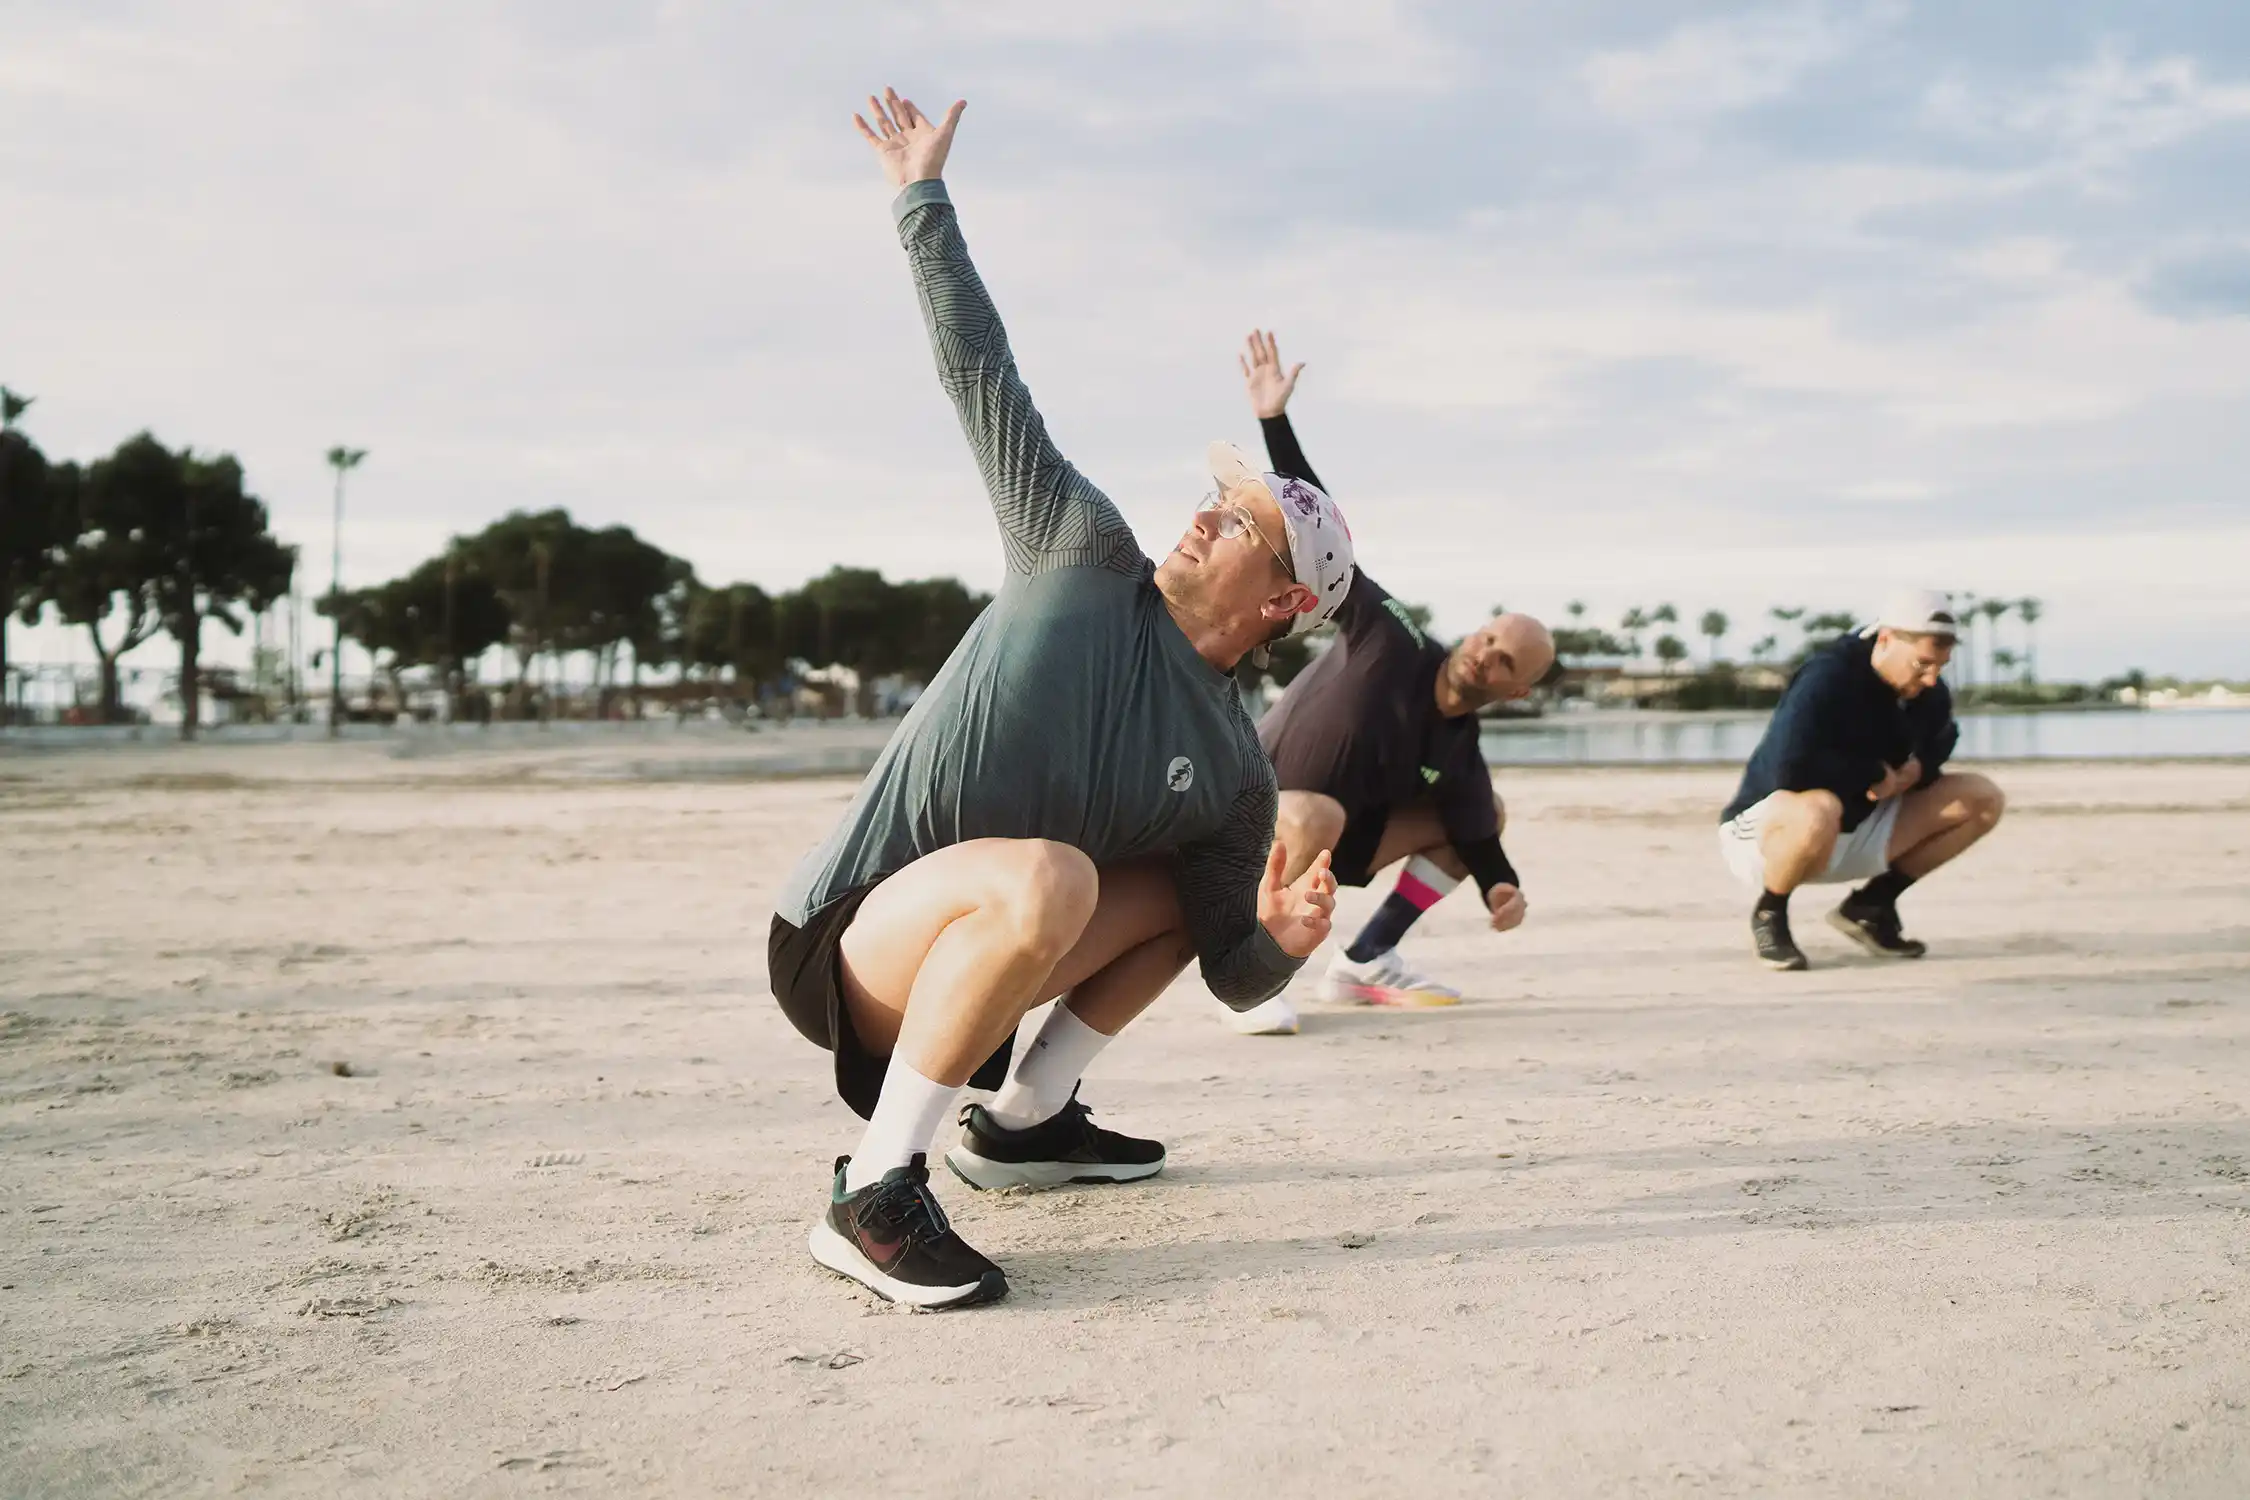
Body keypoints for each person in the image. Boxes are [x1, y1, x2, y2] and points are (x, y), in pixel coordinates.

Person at [767, 91, 1352, 1309]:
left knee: (1169, 892)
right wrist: (918, 197)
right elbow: (980, 373)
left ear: (1285, 604)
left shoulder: (1234, 771)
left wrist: (1287, 947)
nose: (1201, 512)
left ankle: (1025, 1122)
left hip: (983, 969)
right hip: (849, 941)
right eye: (1215, 497)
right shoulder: (1077, 548)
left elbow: (1230, 970)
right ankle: (873, 1189)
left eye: (1237, 519)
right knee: (1053, 875)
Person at [1221, 331, 1554, 1037]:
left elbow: (1473, 832)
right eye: (1487, 637)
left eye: (1504, 662)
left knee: (1485, 811)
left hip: (1340, 837)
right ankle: (1249, 976)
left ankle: (1366, 960)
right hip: (1251, 808)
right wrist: (1274, 422)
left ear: (1515, 689)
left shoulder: (1459, 738)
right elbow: (1324, 537)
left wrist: (1505, 886)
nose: (1484, 655)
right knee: (1318, 818)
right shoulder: (1392, 635)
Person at [1718, 590, 2006, 970]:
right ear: (1885, 640)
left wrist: (1918, 769)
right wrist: (1871, 774)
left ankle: (1870, 907)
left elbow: (1943, 737)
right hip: (1768, 835)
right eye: (1922, 663)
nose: (1932, 677)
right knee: (1819, 808)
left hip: (1854, 828)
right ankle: (1770, 912)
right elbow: (1790, 767)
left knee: (1981, 798)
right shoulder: (1829, 676)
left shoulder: (1926, 690)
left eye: (1940, 665)